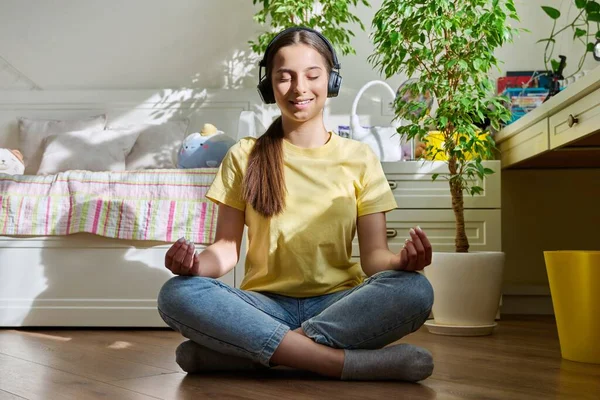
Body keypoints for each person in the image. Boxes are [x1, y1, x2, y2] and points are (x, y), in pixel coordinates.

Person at [157, 26, 435, 382]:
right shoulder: (245, 155)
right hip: (262, 307)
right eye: (284, 77)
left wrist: (402, 262)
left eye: (312, 75)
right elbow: (226, 249)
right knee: (176, 293)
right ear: (269, 85)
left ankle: (261, 354)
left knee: (416, 289)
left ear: (331, 81)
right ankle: (340, 363)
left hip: (339, 305)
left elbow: (374, 258)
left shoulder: (360, 158)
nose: (299, 88)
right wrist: (194, 266)